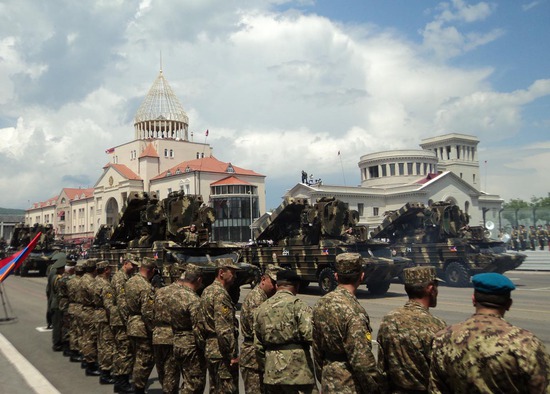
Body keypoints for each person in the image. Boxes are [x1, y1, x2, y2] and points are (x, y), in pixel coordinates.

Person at [429, 273, 550, 393]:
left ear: (473, 300)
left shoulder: (443, 338)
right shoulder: (525, 342)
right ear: (509, 304)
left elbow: (437, 389)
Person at [313, 253, 384, 394]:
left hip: (328, 380)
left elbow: (317, 349)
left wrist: (325, 378)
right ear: (361, 277)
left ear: (336, 276)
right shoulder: (354, 311)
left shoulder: (321, 304)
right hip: (349, 384)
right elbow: (362, 361)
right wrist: (376, 389)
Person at [377, 266, 445, 393]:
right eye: (436, 286)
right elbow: (442, 374)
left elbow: (382, 368)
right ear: (430, 289)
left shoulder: (388, 320)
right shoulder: (436, 326)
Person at [254, 269, 317, 394]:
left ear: (277, 286)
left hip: (272, 375)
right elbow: (311, 336)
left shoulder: (261, 309)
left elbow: (257, 346)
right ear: (297, 287)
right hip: (298, 374)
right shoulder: (299, 306)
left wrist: (268, 366)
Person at [199, 257, 240, 394]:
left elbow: (199, 323)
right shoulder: (220, 294)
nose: (235, 276)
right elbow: (223, 329)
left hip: (211, 349)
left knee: (215, 389)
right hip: (221, 352)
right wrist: (231, 354)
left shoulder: (207, 291)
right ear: (221, 272)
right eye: (232, 272)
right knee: (227, 389)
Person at [240, 265, 282, 393]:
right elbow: (260, 333)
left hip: (260, 357)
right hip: (253, 359)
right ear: (263, 279)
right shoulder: (256, 299)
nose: (276, 286)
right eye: (273, 282)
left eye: (278, 283)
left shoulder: (266, 297)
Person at [169, 264, 206, 394]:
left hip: (177, 341)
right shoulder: (194, 300)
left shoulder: (174, 295)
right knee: (194, 385)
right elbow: (198, 328)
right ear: (199, 280)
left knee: (185, 381)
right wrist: (204, 347)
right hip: (191, 345)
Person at [125, 256, 157, 394]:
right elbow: (147, 312)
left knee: (137, 357)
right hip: (142, 327)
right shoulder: (145, 286)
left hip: (132, 323)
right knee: (144, 360)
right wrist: (153, 329)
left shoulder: (130, 281)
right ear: (152, 270)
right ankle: (138, 388)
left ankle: (135, 385)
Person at [110, 255, 138, 394]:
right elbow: (122, 302)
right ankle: (122, 382)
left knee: (121, 349)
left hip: (119, 319)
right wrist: (128, 320)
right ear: (125, 263)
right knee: (124, 350)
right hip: (121, 320)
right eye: (132, 265)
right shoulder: (120, 278)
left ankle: (119, 379)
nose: (134, 267)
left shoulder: (124, 277)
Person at [152, 264, 179, 394]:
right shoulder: (181, 293)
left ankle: (165, 388)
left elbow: (149, 312)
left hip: (157, 334)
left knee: (161, 367)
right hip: (171, 335)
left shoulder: (159, 292)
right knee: (171, 370)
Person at [94, 260, 116, 385]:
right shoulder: (105, 284)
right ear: (106, 269)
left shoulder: (95, 281)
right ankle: (105, 373)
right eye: (109, 268)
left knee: (101, 343)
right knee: (107, 345)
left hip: (97, 314)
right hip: (104, 316)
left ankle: (102, 369)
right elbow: (108, 305)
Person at [67, 262, 85, 362]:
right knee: (80, 331)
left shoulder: (70, 281)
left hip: (71, 305)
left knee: (73, 330)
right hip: (79, 306)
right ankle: (78, 351)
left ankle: (73, 351)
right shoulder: (81, 282)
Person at [49, 256, 67, 351]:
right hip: (57, 304)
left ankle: (58, 342)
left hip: (55, 303)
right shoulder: (58, 279)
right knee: (57, 325)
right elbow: (60, 292)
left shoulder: (54, 277)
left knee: (58, 324)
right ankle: (56, 344)